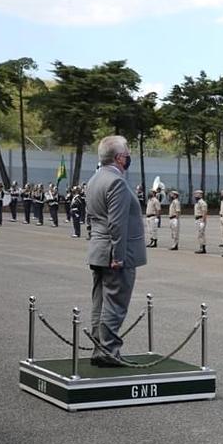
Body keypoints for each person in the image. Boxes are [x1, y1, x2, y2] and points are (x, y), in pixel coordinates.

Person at [86, 135, 147, 367]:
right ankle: (109, 351)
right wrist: (118, 256)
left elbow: (93, 219)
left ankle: (99, 349)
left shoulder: (94, 179)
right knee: (115, 304)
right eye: (127, 152)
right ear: (120, 157)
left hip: (98, 249)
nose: (128, 156)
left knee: (100, 302)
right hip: (115, 253)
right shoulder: (117, 181)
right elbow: (117, 223)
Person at [193, 189, 208, 254]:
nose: (195, 195)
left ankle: (202, 248)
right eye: (195, 194)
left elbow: (204, 212)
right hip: (197, 219)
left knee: (201, 234)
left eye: (197, 194)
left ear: (200, 195)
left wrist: (203, 221)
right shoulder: (197, 202)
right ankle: (201, 247)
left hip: (200, 219)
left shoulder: (202, 203)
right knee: (199, 235)